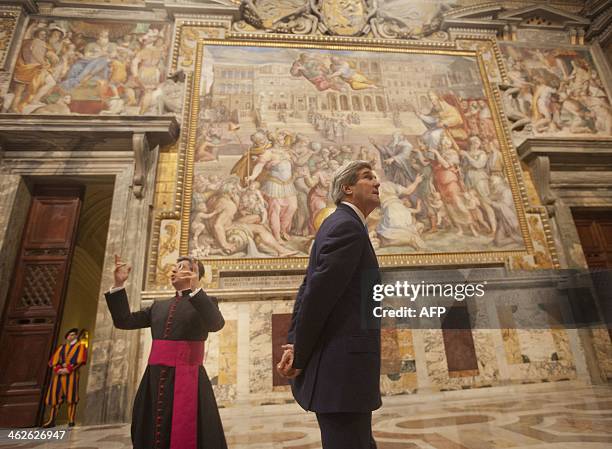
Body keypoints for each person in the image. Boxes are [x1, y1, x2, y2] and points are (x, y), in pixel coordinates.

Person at [277, 160, 382, 449]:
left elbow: (309, 288)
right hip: (343, 369)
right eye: (367, 177)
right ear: (347, 188)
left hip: (343, 369)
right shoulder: (346, 227)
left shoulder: (340, 224)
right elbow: (317, 295)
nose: (376, 182)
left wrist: (296, 342)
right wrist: (299, 353)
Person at [105, 255, 227, 449]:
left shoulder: (205, 301)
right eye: (174, 267)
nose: (174, 271)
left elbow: (216, 324)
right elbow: (124, 321)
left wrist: (194, 288)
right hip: (154, 378)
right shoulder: (158, 306)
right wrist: (118, 284)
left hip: (189, 377)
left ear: (194, 274)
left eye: (181, 267)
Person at [43, 328, 87, 428]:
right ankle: (51, 420)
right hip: (59, 375)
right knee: (55, 397)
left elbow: (80, 360)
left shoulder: (80, 347)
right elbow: (54, 360)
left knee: (72, 397)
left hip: (71, 375)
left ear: (76, 336)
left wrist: (69, 369)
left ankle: (71, 420)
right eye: (69, 335)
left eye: (73, 335)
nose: (71, 337)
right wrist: (58, 369)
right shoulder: (62, 347)